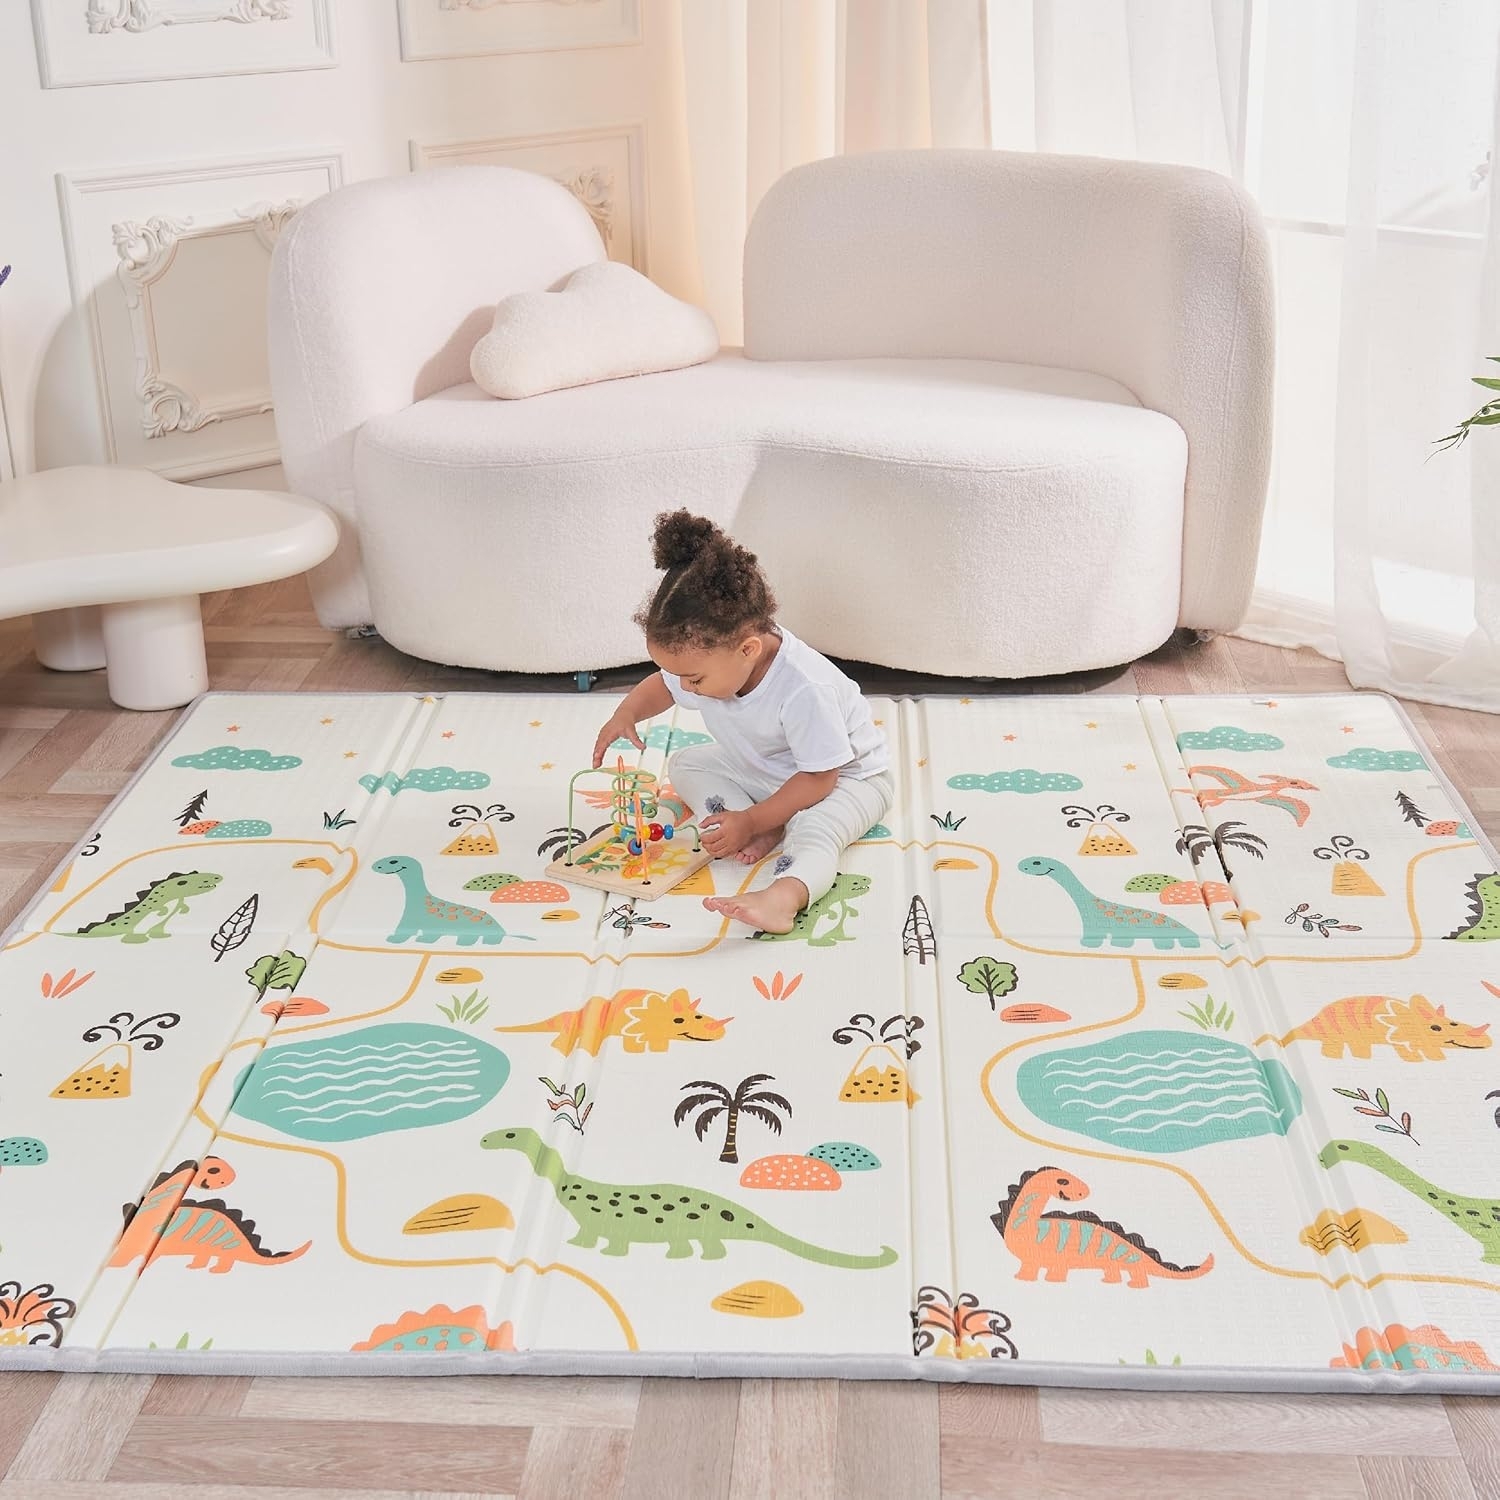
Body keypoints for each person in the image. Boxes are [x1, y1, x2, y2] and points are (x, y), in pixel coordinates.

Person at [593, 510, 892, 934]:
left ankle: (782, 897)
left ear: (748, 649)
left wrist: (753, 819)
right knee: (686, 763)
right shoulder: (717, 658)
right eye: (680, 676)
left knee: (814, 828)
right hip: (772, 770)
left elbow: (820, 778)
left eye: (694, 679)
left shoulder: (805, 689)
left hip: (845, 780)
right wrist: (626, 713)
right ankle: (755, 825)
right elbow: (662, 686)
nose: (685, 687)